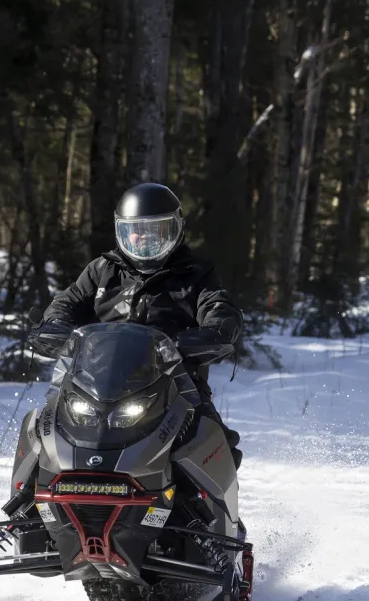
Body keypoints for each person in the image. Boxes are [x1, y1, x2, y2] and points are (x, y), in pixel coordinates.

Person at [34, 183, 244, 467]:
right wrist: (56, 324)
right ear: (120, 230)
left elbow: (217, 304)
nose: (141, 237)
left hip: (174, 382)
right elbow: (67, 302)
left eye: (153, 230)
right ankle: (27, 497)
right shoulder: (102, 270)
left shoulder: (196, 274)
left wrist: (215, 330)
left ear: (174, 230)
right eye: (132, 229)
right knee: (44, 427)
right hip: (95, 383)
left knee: (214, 441)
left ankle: (210, 508)